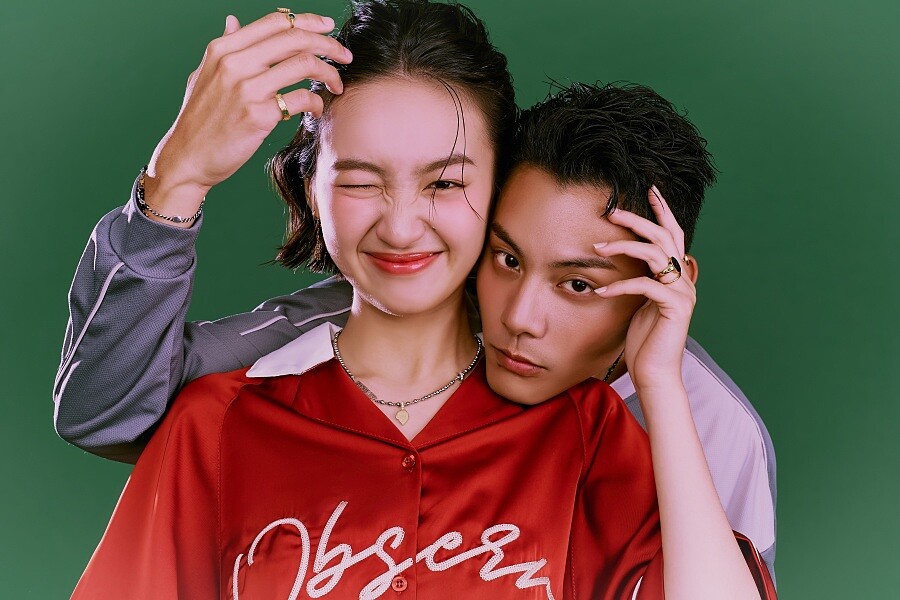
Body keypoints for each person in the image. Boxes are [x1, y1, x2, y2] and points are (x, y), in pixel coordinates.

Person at [63, 2, 773, 598]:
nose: (402, 227)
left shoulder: (595, 433)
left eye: (445, 183)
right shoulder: (217, 421)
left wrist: (660, 382)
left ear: (498, 187)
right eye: (359, 180)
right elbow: (105, 407)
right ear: (310, 188)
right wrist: (176, 176)